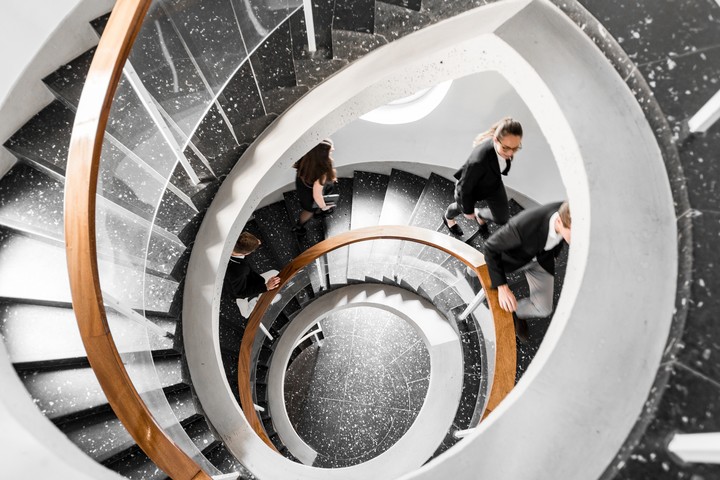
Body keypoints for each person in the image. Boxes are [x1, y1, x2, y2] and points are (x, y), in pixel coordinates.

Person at [483, 201, 571, 343]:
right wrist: (503, 288)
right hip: (512, 260)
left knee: (544, 309)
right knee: (478, 270)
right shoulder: (524, 224)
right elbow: (490, 248)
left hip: (541, 261)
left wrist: (553, 254)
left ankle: (516, 314)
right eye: (573, 234)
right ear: (559, 221)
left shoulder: (568, 211)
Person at [442, 117, 523, 237]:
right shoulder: (479, 161)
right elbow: (464, 187)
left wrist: (474, 212)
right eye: (506, 148)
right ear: (496, 140)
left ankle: (479, 214)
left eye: (515, 148)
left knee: (502, 218)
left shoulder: (505, 148)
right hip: (469, 190)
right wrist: (468, 210)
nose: (511, 153)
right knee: (460, 208)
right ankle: (448, 217)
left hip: (492, 183)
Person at [291, 139, 337, 235]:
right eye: (330, 150)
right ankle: (300, 226)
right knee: (310, 210)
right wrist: (324, 207)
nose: (333, 149)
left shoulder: (306, 160)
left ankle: (299, 226)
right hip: (312, 196)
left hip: (303, 189)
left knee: (308, 209)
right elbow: (317, 196)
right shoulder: (321, 173)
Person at [224, 232, 280, 301]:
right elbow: (240, 293)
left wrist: (255, 242)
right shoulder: (239, 271)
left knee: (274, 273)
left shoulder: (228, 245)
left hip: (247, 278)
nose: (259, 241)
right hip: (244, 287)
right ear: (246, 253)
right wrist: (266, 287)